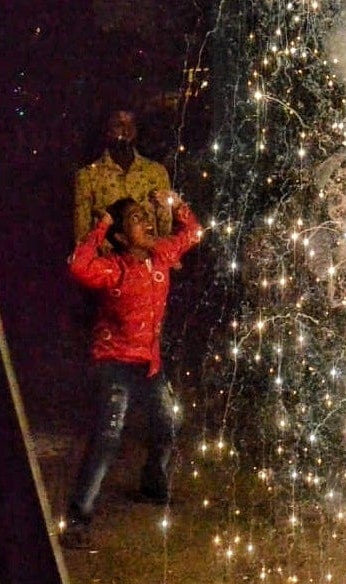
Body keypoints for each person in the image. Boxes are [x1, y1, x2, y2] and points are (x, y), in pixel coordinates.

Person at [61, 193, 203, 549]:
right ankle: (78, 516)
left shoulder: (162, 256)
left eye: (146, 215)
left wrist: (173, 203)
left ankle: (153, 486)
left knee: (168, 422)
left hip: (149, 364)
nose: (148, 222)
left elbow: (195, 231)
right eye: (138, 219)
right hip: (114, 364)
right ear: (122, 237)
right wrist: (102, 226)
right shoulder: (114, 269)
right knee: (108, 436)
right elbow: (78, 266)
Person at [73, 109, 172, 245]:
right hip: (107, 262)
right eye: (119, 125)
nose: (126, 132)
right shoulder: (88, 176)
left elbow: (165, 226)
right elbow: (82, 235)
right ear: (107, 129)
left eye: (131, 125)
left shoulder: (156, 172)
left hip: (147, 262)